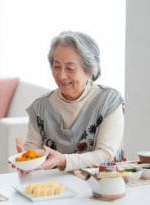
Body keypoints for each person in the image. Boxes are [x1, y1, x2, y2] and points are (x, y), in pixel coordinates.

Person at [17, 31, 124, 173]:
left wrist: (64, 161)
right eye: (56, 66)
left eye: (70, 68)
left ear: (89, 71)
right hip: (56, 188)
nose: (61, 75)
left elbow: (105, 154)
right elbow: (32, 151)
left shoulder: (108, 100)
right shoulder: (41, 107)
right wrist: (26, 162)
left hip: (100, 186)